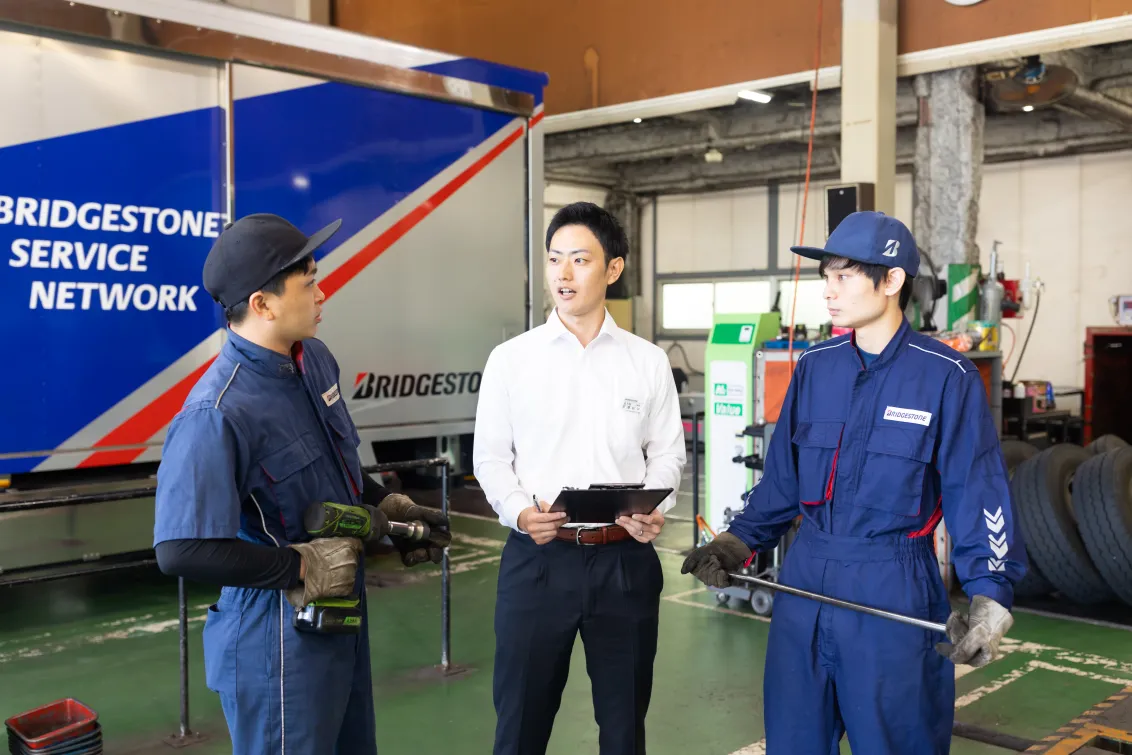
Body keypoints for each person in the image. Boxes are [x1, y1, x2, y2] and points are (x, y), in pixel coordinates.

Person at [681, 211, 1027, 754]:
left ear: (891, 281)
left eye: (843, 275)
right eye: (826, 276)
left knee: (895, 742)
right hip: (805, 581)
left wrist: (990, 596)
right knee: (795, 741)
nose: (829, 290)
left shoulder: (945, 378)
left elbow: (977, 491)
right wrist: (736, 542)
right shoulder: (815, 367)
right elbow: (783, 481)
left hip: (893, 588)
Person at [152, 213, 451, 755]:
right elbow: (180, 549)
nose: (322, 293)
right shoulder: (216, 413)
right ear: (262, 304)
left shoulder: (312, 360)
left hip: (338, 616)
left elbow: (331, 461)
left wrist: (388, 503)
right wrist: (301, 566)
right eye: (309, 282)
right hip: (276, 638)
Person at [473, 202, 686, 755]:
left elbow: (667, 455)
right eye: (553, 260)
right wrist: (519, 511)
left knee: (623, 728)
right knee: (520, 724)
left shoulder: (647, 362)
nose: (563, 275)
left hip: (624, 563)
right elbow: (491, 458)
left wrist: (652, 506)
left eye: (579, 260)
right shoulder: (511, 360)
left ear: (612, 269)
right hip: (537, 560)